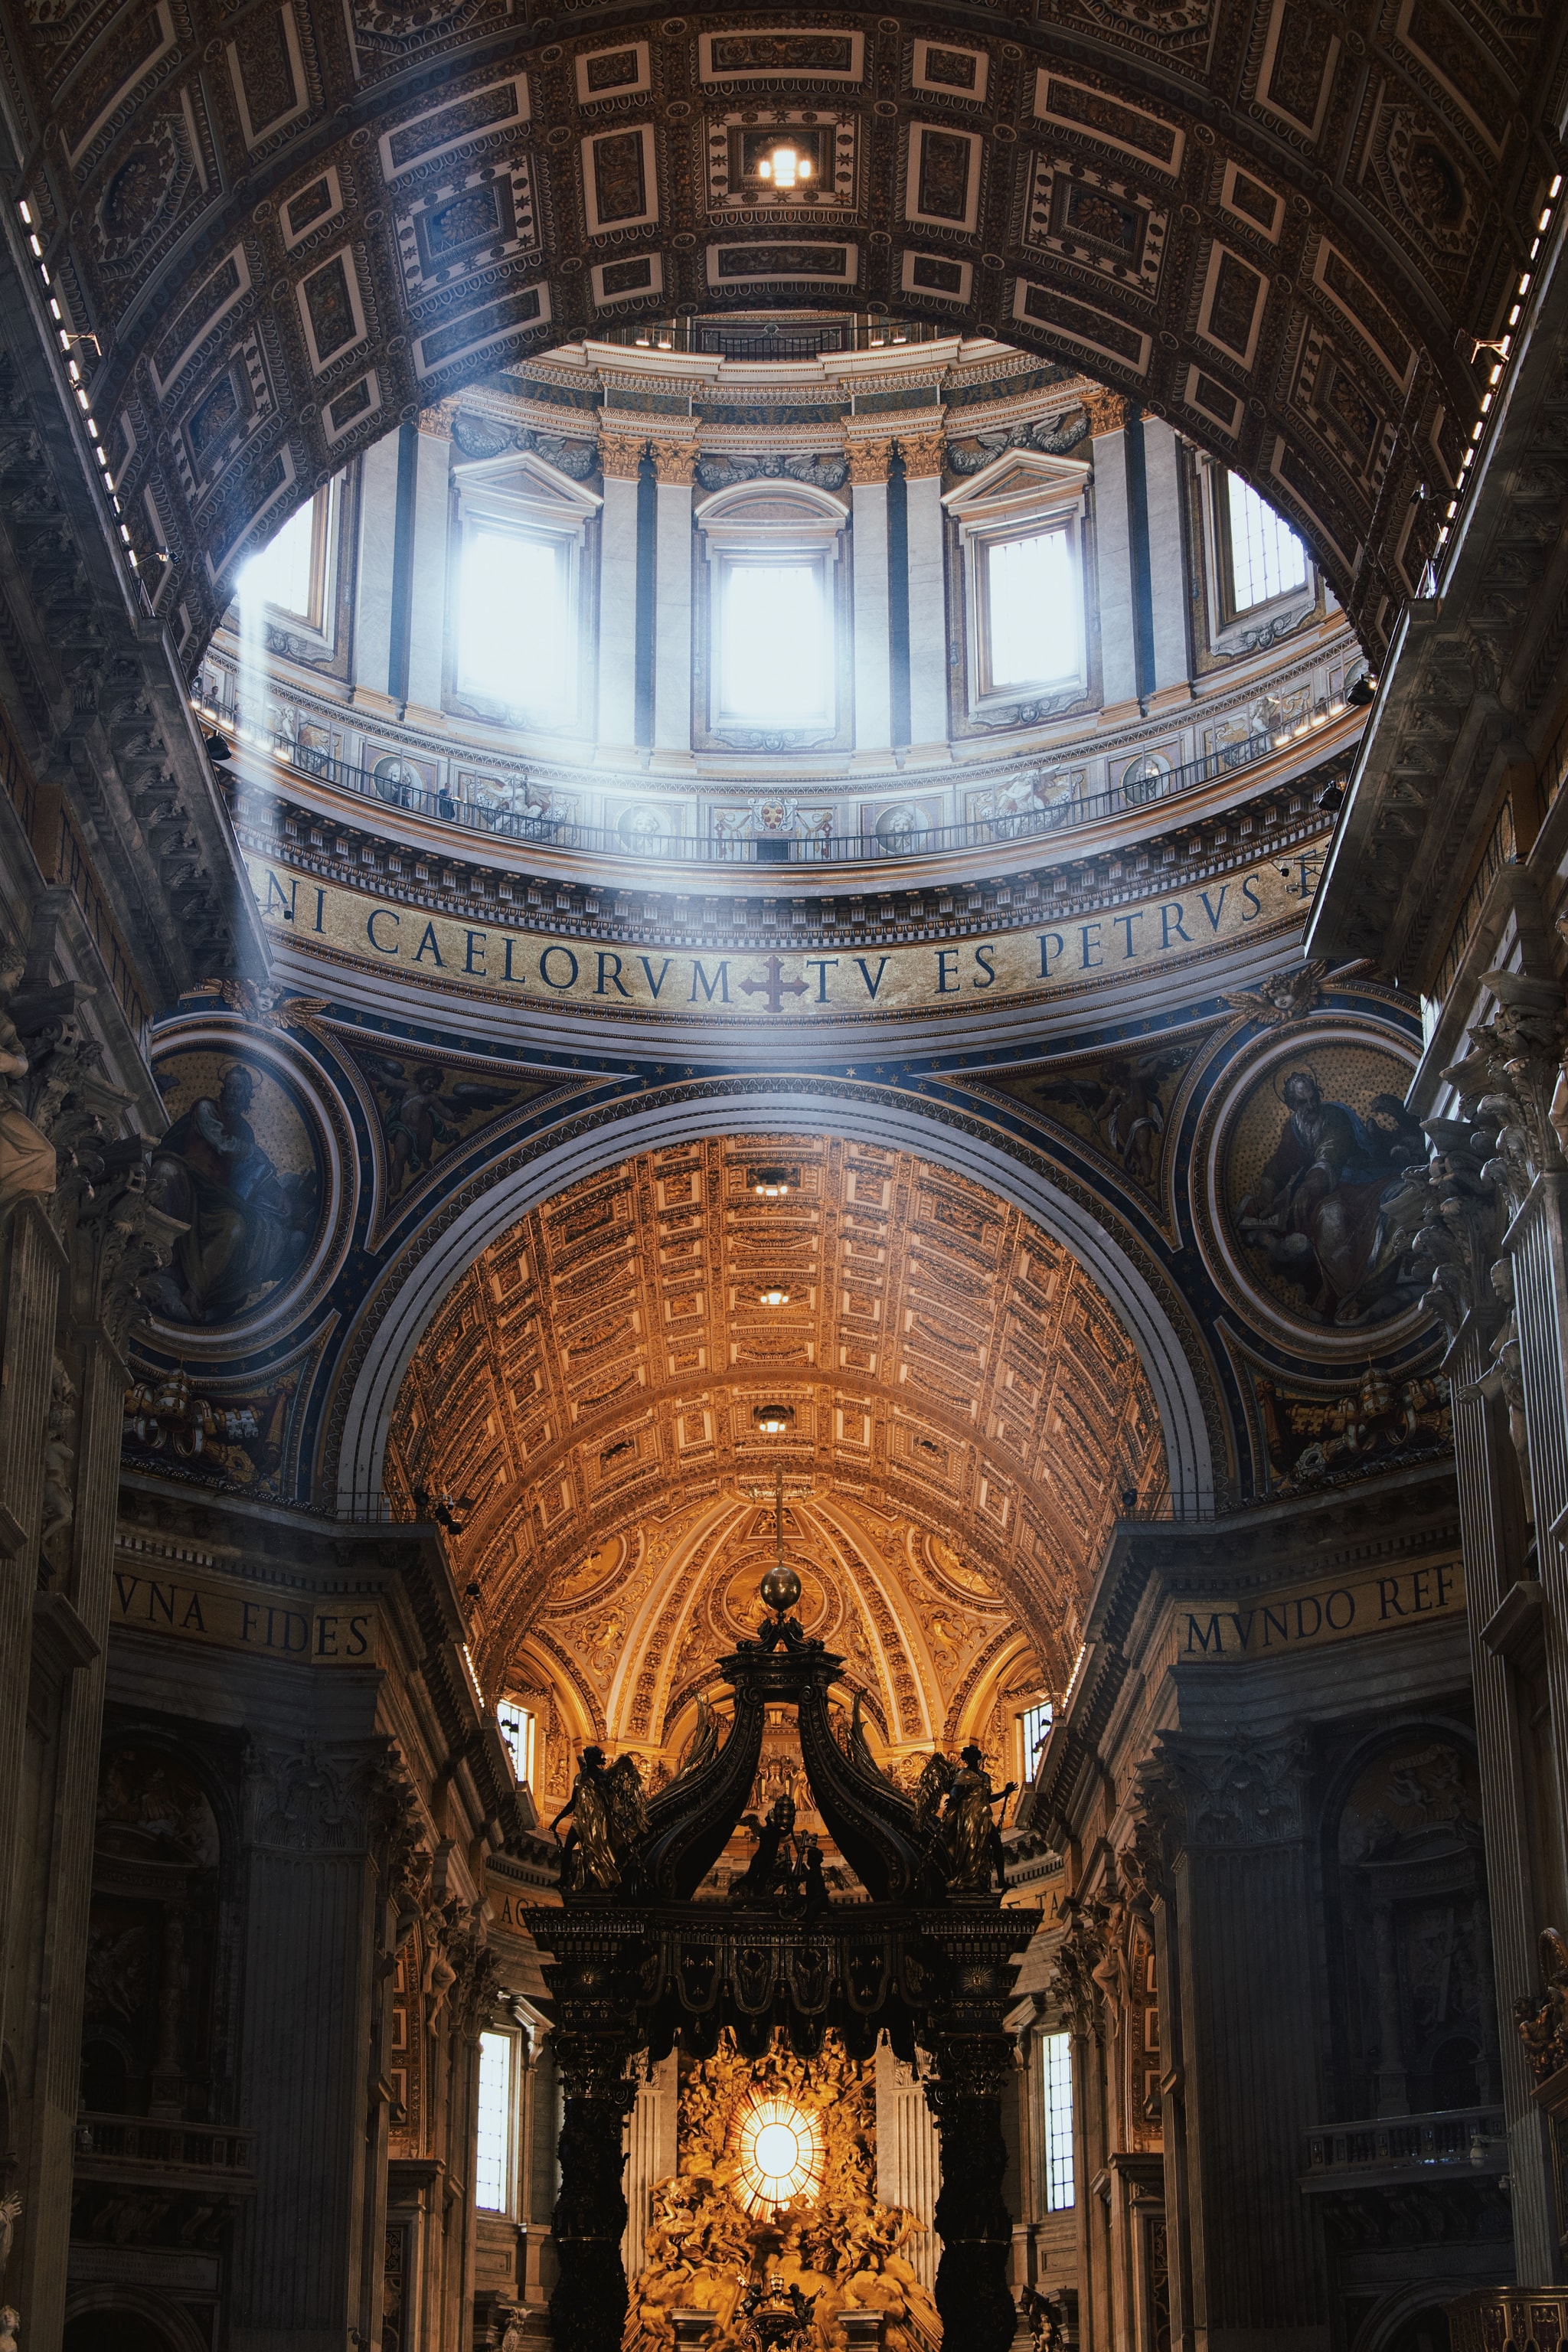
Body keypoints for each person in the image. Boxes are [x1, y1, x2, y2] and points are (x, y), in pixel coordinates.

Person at [1236, 1068, 1425, 1325]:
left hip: (1361, 1178)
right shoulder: (1294, 1127)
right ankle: (1344, 1291)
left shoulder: (1334, 1116)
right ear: (1292, 1105)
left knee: (1330, 1215)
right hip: (1330, 1188)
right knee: (1324, 1216)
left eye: (1314, 1098)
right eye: (1303, 1102)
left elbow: (1331, 1152)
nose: (1311, 1105)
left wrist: (1309, 1187)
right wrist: (1266, 1197)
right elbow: (1280, 1164)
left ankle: (1358, 1291)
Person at [145, 1063, 316, 1323]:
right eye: (232, 1087)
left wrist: (279, 1194)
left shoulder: (245, 1129)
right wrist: (254, 1152)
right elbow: (223, 1144)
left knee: (235, 1225)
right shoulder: (206, 1108)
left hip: (215, 1196)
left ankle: (196, 1292)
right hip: (188, 1177)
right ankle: (159, 1257)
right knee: (165, 1172)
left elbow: (252, 1175)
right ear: (223, 1088)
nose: (234, 1093)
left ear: (248, 1095)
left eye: (241, 1089)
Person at [942, 1746, 1014, 1892]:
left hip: (984, 1816)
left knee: (997, 1845)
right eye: (972, 1756)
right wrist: (954, 1799)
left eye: (976, 1756)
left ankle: (1001, 1880)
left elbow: (988, 1799)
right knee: (971, 1847)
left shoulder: (985, 1776)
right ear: (967, 1759)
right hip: (970, 1817)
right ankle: (967, 1877)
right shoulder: (963, 1774)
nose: (974, 1759)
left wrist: (1005, 1792)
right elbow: (955, 1793)